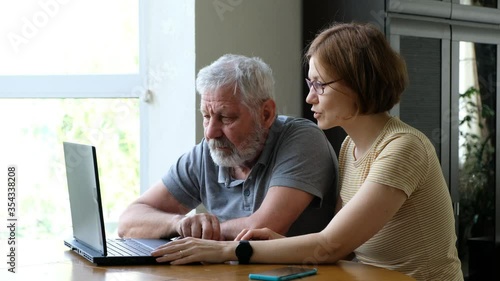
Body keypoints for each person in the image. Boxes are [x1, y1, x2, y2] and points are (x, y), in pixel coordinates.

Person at [150, 23, 464, 281]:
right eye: (309, 83)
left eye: (320, 85)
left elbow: (330, 246)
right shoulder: (349, 147)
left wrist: (223, 250)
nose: (310, 98)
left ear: (358, 84)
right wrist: (283, 246)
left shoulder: (403, 148)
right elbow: (341, 246)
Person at [118, 54, 338, 241]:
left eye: (225, 118)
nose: (210, 133)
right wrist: (179, 223)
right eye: (206, 116)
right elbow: (129, 221)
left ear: (266, 114)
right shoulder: (209, 151)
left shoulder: (302, 140)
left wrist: (199, 232)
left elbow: (263, 230)